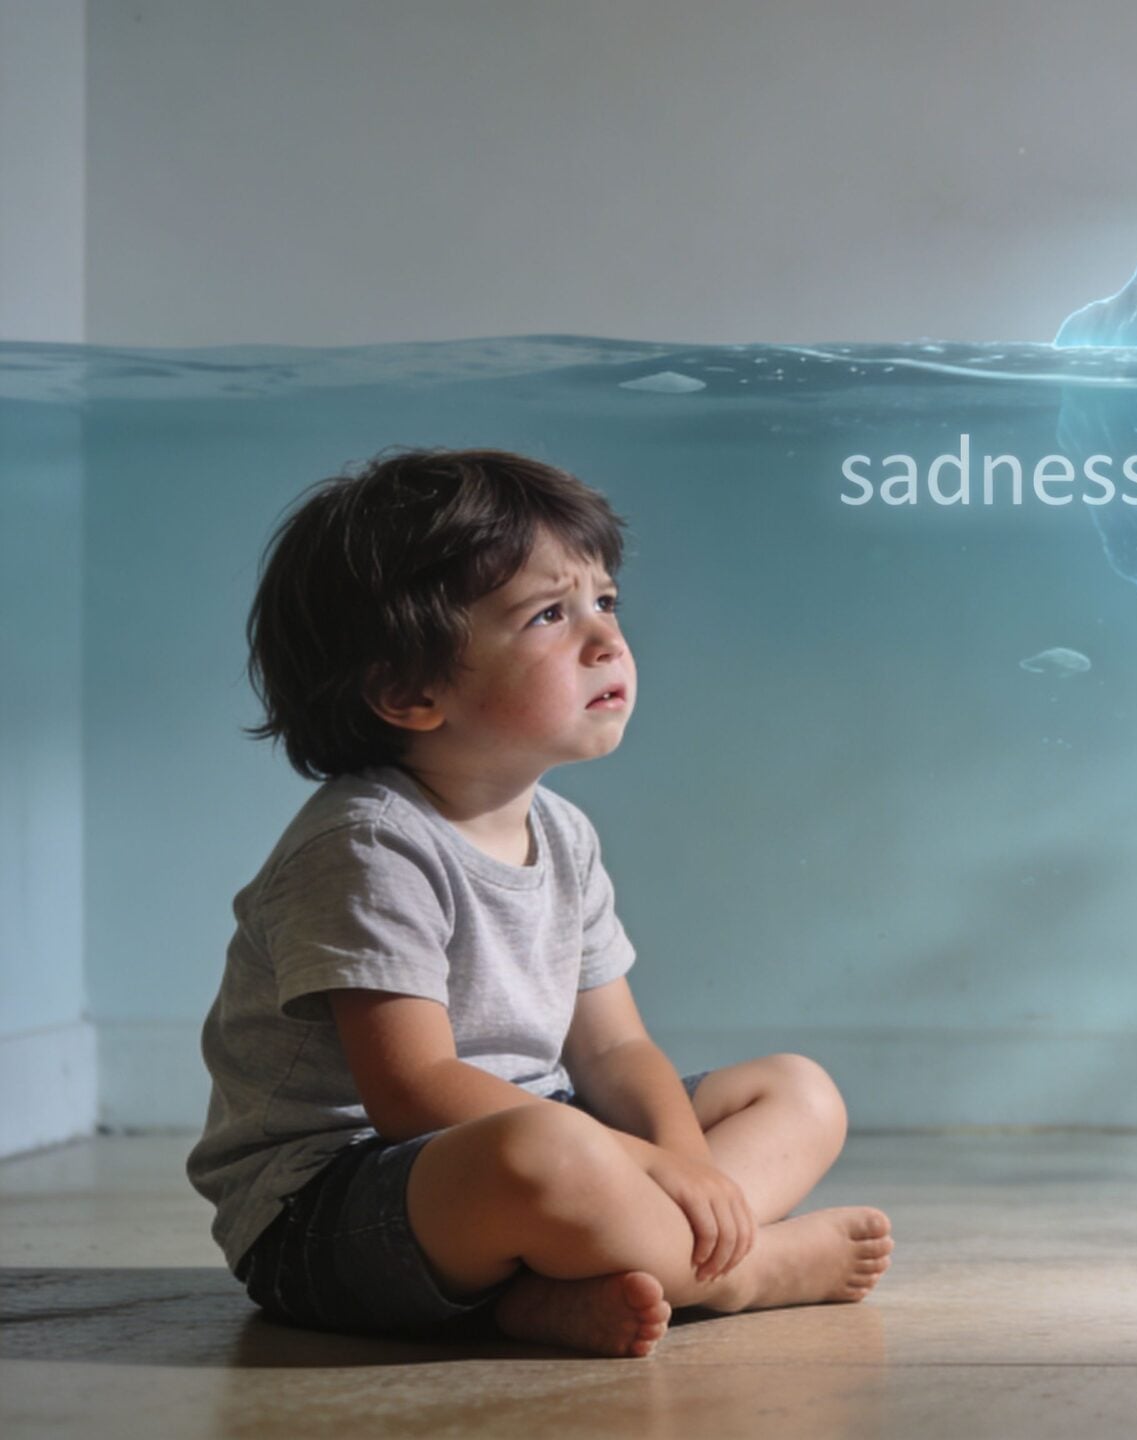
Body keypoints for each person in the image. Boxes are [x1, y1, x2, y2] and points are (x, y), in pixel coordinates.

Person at [186, 448, 890, 1358]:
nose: (607, 641)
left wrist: (683, 1167)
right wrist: (643, 1167)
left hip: (531, 1144)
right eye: (549, 614)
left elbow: (615, 1050)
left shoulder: (562, 832)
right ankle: (741, 1273)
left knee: (798, 1090)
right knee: (549, 1155)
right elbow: (411, 1092)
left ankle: (580, 1279)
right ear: (409, 690)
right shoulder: (367, 844)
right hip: (331, 1209)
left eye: (606, 601)